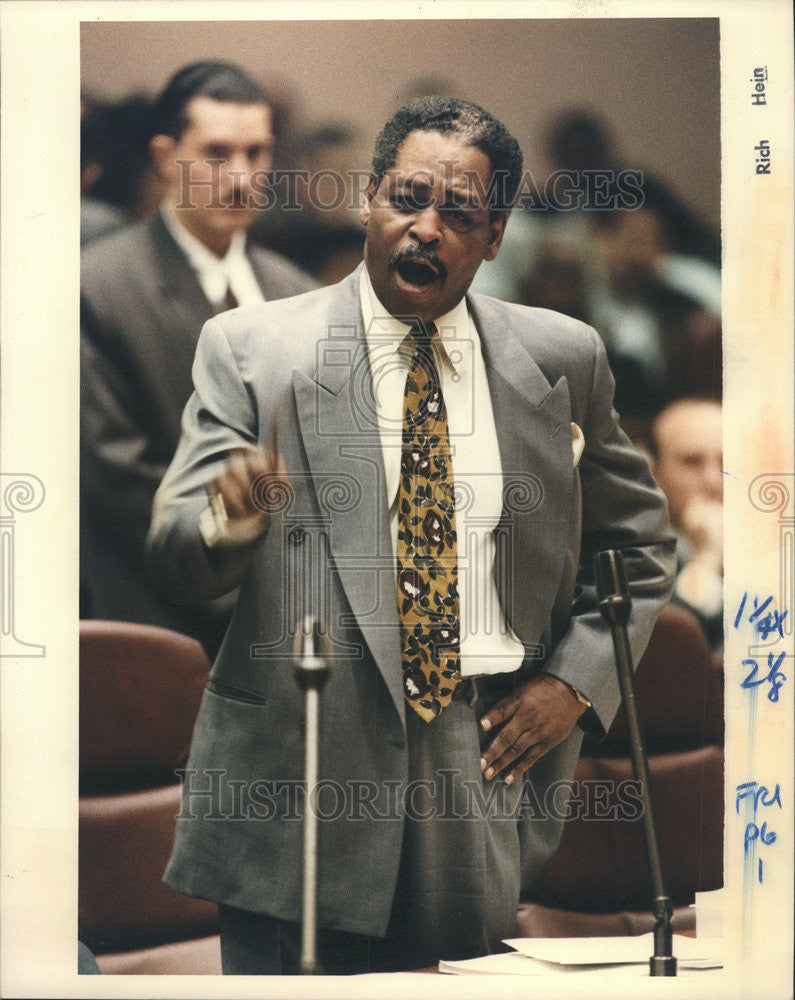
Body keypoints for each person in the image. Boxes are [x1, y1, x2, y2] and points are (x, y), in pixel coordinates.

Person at [147, 96, 676, 974]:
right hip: (302, 773)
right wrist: (227, 519)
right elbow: (171, 555)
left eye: (459, 214)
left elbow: (642, 547)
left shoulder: (560, 358)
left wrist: (574, 685)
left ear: (496, 236)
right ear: (367, 197)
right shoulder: (252, 349)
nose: (424, 230)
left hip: (475, 772)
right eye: (406, 198)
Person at [80, 61, 316, 656]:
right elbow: (118, 479)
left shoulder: (296, 291)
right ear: (165, 158)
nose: (241, 177)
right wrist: (244, 567)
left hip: (292, 628)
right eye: (217, 154)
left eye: (256, 154)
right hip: (158, 621)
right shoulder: (97, 286)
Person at [650, 398, 723, 651]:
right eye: (692, 461)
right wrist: (706, 561)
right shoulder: (634, 555)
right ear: (654, 472)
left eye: (728, 462)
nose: (713, 481)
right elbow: (669, 656)